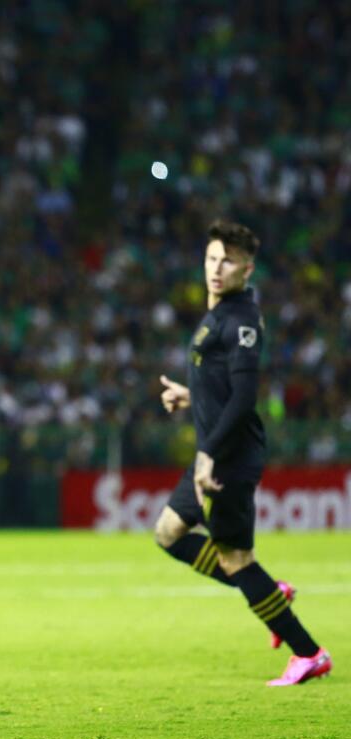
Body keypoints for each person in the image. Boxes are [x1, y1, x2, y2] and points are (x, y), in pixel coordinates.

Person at [154, 220, 331, 686]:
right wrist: (189, 397)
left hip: (226, 458)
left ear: (247, 269)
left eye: (228, 260)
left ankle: (309, 652)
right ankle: (267, 591)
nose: (217, 267)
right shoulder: (220, 312)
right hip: (213, 452)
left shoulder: (241, 321)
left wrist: (209, 453)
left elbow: (244, 395)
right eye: (212, 258)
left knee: (237, 560)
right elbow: (221, 387)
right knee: (169, 533)